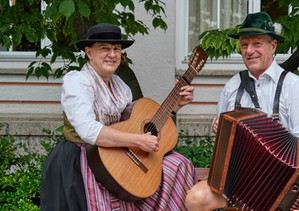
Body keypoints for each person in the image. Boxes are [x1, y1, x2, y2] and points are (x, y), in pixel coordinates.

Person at [40, 23, 197, 211]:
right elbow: (88, 131)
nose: (112, 54)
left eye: (116, 49)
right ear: (89, 53)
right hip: (80, 160)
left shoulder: (120, 85)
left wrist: (173, 106)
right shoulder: (78, 81)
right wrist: (138, 140)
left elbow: (131, 124)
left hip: (116, 157)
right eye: (104, 48)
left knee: (177, 165)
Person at [185, 12, 299, 211]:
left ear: (273, 46)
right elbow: (223, 138)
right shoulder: (233, 85)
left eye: (257, 43)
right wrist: (218, 127)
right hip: (236, 181)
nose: (249, 51)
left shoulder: (293, 85)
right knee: (195, 199)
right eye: (244, 45)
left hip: (278, 183)